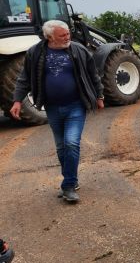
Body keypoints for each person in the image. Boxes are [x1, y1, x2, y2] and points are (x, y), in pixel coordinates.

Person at [10, 20, 104, 203]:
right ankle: (71, 179)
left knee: (71, 143)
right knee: (61, 147)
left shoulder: (79, 50)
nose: (68, 37)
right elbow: (24, 79)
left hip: (76, 105)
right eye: (63, 35)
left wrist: (99, 95)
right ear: (50, 37)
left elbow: (94, 74)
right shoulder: (35, 53)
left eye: (68, 33)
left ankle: (68, 186)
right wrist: (17, 101)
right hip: (52, 107)